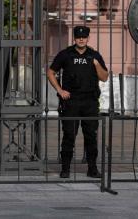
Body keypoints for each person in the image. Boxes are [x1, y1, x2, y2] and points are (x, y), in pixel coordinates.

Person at [46, 25, 109, 178]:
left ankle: (92, 168)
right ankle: (65, 168)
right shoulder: (66, 54)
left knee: (91, 137)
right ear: (74, 38)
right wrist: (60, 90)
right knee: (69, 136)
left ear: (88, 38)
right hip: (71, 102)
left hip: (90, 102)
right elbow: (50, 72)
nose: (81, 39)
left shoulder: (94, 55)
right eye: (78, 37)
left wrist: (96, 64)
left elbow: (104, 77)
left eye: (84, 37)